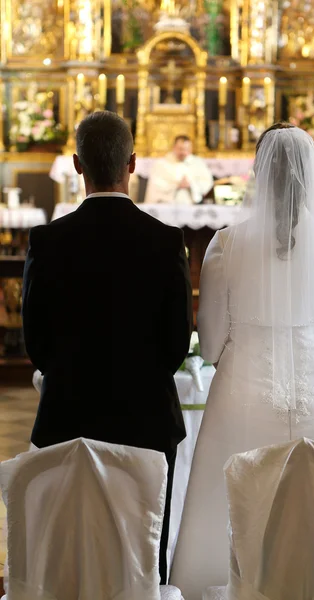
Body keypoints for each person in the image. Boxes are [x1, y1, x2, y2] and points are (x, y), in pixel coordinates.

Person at [170, 123, 314, 599]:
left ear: (257, 172)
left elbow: (209, 345)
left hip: (242, 390)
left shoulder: (225, 244)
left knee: (234, 498)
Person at [22, 110, 193, 584]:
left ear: (77, 166)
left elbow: (35, 343)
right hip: (147, 421)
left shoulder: (47, 240)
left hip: (66, 416)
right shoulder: (165, 241)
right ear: (133, 163)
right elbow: (177, 342)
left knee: (69, 550)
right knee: (144, 549)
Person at [144, 135, 213, 205]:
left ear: (191, 149)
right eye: (180, 149)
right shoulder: (161, 164)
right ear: (173, 148)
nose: (183, 152)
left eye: (186, 149)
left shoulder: (198, 163)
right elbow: (156, 184)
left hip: (191, 205)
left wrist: (191, 185)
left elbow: (206, 182)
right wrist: (176, 185)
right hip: (167, 205)